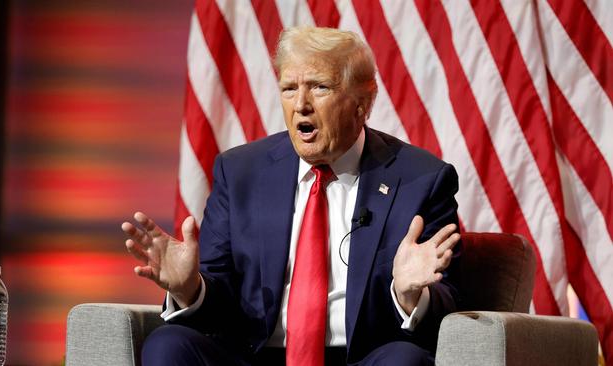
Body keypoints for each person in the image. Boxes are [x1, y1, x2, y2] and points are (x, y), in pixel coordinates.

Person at [122, 26, 461, 366]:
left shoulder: (421, 180)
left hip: (360, 358)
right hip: (255, 356)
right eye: (289, 89)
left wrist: (409, 294)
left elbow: (450, 300)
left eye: (319, 87)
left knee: (404, 361)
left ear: (363, 102)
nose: (301, 105)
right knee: (169, 344)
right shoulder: (241, 172)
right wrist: (189, 289)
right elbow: (219, 302)